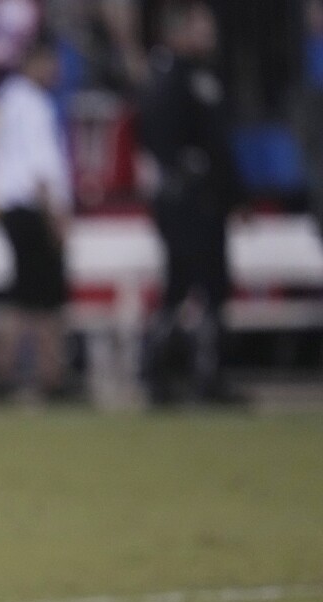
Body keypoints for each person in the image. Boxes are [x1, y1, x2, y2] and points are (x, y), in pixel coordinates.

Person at [138, 1, 244, 405]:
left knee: (198, 288)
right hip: (190, 200)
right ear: (179, 32)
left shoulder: (192, 75)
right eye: (201, 27)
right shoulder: (175, 77)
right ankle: (178, 374)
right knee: (193, 287)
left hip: (197, 199)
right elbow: (185, 142)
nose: (210, 34)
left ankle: (186, 373)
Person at [0, 37, 74, 400]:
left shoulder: (6, 100)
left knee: (24, 297)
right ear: (33, 62)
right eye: (51, 62)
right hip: (33, 210)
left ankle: (4, 376)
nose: (57, 70)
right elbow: (42, 169)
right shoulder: (34, 104)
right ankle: (49, 378)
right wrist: (56, 217)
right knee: (45, 302)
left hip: (12, 210)